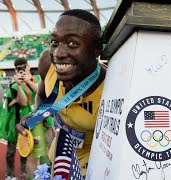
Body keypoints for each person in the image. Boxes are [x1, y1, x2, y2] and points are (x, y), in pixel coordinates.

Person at [16, 9, 107, 177]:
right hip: (58, 158)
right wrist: (38, 112)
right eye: (54, 42)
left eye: (72, 43)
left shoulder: (111, 87)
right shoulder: (46, 62)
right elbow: (42, 94)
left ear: (96, 49)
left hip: (92, 168)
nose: (58, 53)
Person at [5, 57, 40, 180]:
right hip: (19, 122)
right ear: (15, 70)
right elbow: (23, 103)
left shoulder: (37, 79)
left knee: (29, 150)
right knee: (12, 150)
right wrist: (20, 85)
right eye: (19, 69)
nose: (22, 71)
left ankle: (24, 173)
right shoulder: (14, 85)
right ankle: (10, 174)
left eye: (24, 67)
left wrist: (29, 81)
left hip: (38, 122)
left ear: (28, 67)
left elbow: (42, 92)